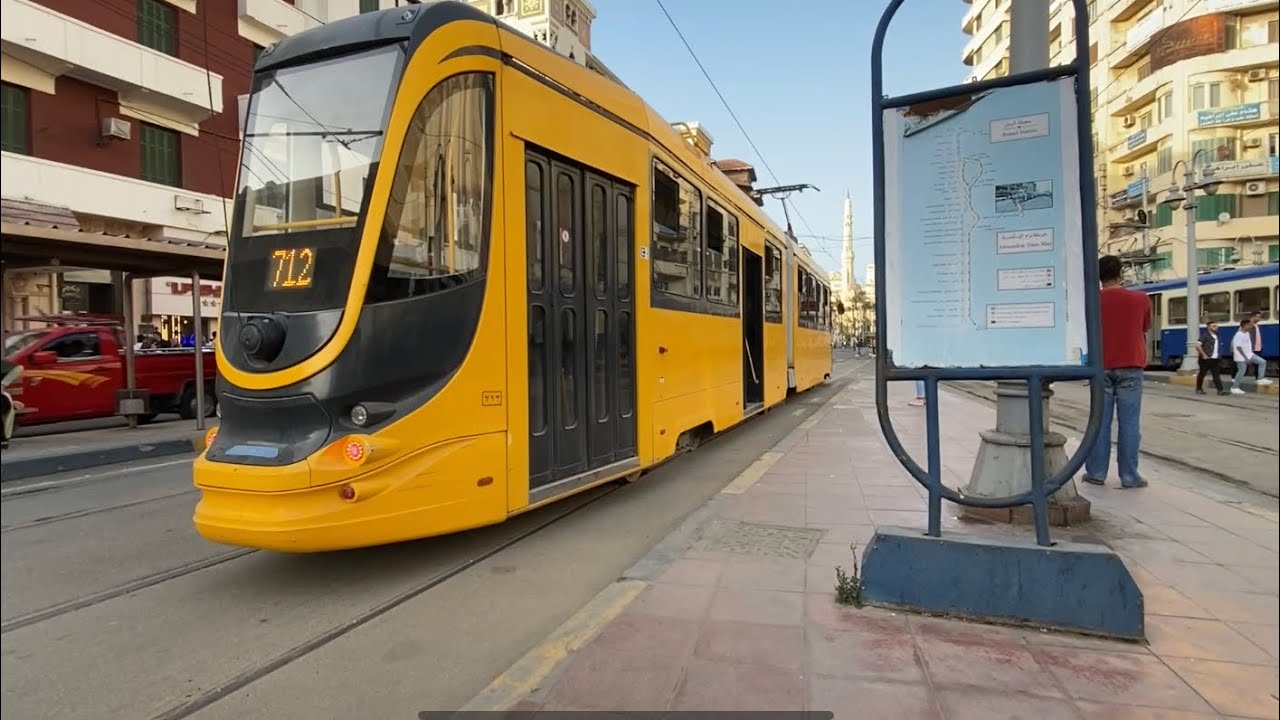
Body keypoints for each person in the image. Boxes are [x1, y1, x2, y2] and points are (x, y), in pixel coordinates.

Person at [1082, 255, 1149, 489]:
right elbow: (1144, 326)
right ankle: (1130, 476)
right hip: (1131, 365)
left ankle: (1096, 473)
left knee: (1100, 422)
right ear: (1120, 273)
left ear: (1098, 276)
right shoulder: (1140, 299)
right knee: (1130, 424)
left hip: (1100, 367)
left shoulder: (1090, 300)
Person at [1195, 321, 1227, 396]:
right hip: (1206, 359)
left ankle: (1220, 390)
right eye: (1214, 326)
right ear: (1208, 327)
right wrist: (1203, 355)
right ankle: (1199, 388)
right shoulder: (1204, 335)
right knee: (1202, 374)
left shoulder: (1217, 336)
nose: (1216, 327)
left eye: (1216, 326)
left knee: (1216, 375)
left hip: (1215, 359)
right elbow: (1197, 345)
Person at [1231, 318, 1260, 395]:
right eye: (1249, 325)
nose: (1251, 326)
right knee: (1241, 371)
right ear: (1244, 325)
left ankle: (1235, 387)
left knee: (1242, 371)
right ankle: (1234, 387)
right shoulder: (1238, 334)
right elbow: (1238, 347)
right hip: (1240, 357)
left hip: (1247, 355)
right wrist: (1246, 358)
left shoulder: (1247, 333)